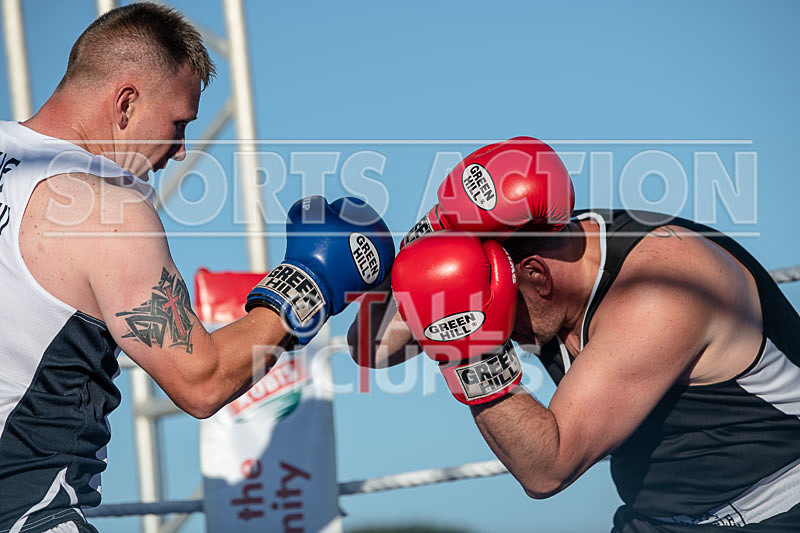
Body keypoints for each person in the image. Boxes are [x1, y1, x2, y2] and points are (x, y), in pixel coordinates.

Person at [0, 4, 394, 532]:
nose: (181, 151)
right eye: (178, 123)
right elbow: (202, 381)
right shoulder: (103, 210)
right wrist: (309, 284)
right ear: (125, 102)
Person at [350, 140, 800, 531]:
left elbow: (546, 468)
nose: (499, 328)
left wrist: (469, 352)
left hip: (776, 510)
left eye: (495, 305)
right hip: (657, 519)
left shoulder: (659, 290)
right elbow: (371, 346)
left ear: (536, 276)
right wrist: (433, 229)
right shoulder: (538, 255)